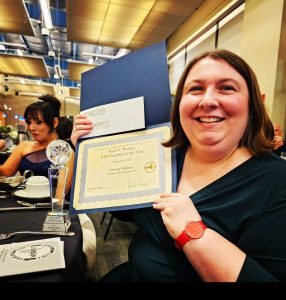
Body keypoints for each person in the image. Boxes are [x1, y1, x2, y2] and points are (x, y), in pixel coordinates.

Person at [71, 49, 286, 282]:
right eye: (196, 89)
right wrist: (90, 152)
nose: (207, 101)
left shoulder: (277, 181)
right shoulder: (166, 155)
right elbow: (126, 212)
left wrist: (191, 231)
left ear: (252, 104)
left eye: (226, 88)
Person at [0, 94, 74, 194]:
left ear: (55, 122)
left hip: (48, 206)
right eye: (29, 122)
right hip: (20, 202)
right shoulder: (24, 146)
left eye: (38, 122)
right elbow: (5, 172)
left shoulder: (64, 152)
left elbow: (60, 195)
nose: (31, 128)